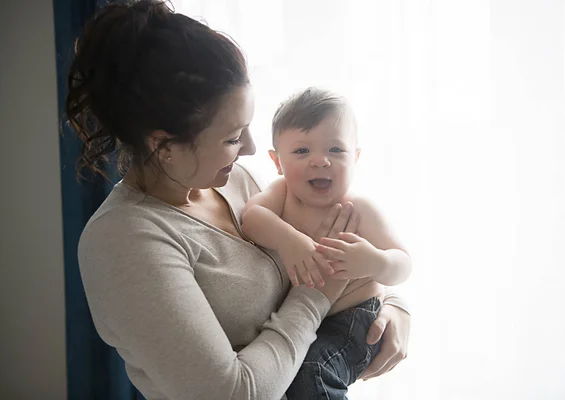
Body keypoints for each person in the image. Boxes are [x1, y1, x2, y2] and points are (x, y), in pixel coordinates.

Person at [70, 1, 411, 399]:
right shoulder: (124, 241)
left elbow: (328, 246)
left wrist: (392, 305)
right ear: (164, 144)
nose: (250, 149)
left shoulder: (233, 181)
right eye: (232, 137)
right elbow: (234, 393)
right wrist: (321, 291)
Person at [240, 88, 412, 399]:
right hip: (303, 322)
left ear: (355, 157)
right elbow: (250, 218)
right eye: (302, 151)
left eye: (335, 150)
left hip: (354, 320)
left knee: (313, 370)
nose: (320, 161)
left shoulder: (358, 209)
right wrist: (289, 239)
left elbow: (403, 262)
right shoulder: (281, 195)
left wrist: (376, 262)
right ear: (277, 161)